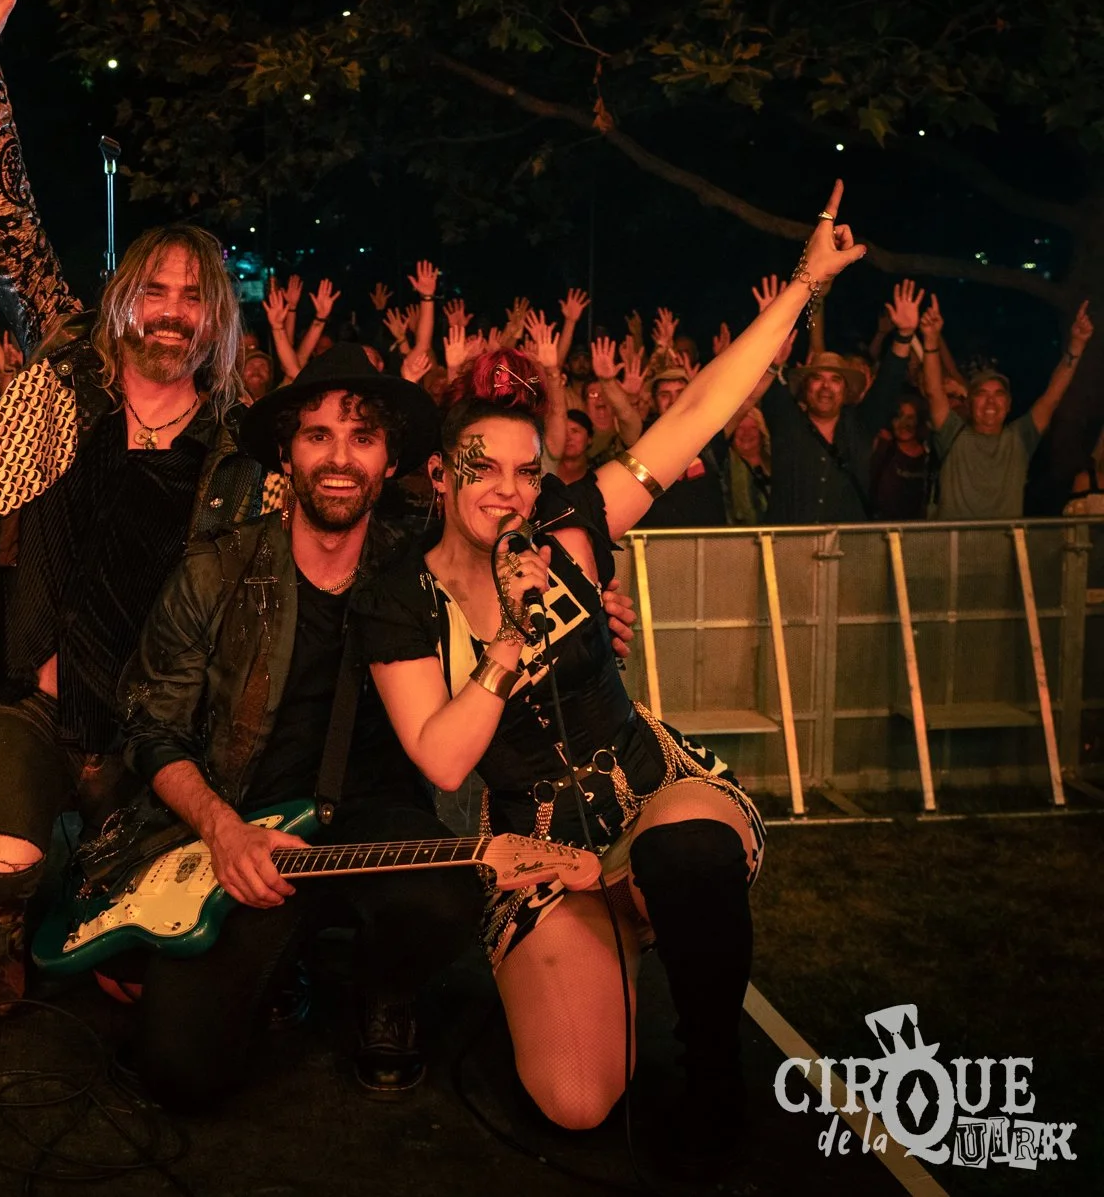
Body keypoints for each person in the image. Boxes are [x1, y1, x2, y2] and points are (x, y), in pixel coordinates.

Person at [352, 183, 869, 1168]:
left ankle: (713, 1078)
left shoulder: (572, 524)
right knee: (579, 1101)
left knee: (687, 857)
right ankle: (621, 926)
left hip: (650, 790)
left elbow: (701, 408)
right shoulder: (400, 598)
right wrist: (507, 639)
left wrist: (802, 287)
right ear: (441, 477)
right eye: (482, 470)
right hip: (541, 843)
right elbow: (445, 761)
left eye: (524, 469)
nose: (508, 491)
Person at [0, 0, 282, 917]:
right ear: (125, 299)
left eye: (192, 297)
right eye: (155, 289)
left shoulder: (236, 447)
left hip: (152, 732)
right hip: (31, 694)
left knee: (137, 927)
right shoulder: (71, 368)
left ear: (216, 319)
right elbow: (11, 232)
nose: (170, 310)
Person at [112, 345, 484, 1107]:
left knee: (448, 892)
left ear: (390, 461)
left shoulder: (422, 573)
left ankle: (386, 989)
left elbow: (525, 551)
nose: (340, 458)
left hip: (373, 828)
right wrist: (223, 831)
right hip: (251, 833)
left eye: (362, 437)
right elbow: (150, 727)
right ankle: (285, 964)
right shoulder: (216, 571)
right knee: (180, 1072)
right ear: (286, 454)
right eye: (318, 435)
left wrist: (591, 613)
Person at [921, 296, 1092, 520]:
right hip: (955, 543)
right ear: (969, 403)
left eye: (998, 395)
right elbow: (934, 392)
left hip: (1005, 543)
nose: (991, 402)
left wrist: (1076, 345)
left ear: (1009, 405)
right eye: (982, 394)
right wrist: (930, 339)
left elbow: (1051, 398)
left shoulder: (1019, 437)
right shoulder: (952, 433)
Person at [758, 281, 917, 523]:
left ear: (845, 390)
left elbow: (888, 383)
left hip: (845, 544)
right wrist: (767, 327)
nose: (826, 387)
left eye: (835, 380)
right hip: (790, 544)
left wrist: (904, 335)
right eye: (817, 378)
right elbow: (765, 377)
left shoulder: (860, 426)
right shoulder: (786, 422)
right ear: (805, 387)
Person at [638, 366, 731, 527]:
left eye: (680, 393)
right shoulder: (644, 437)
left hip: (711, 539)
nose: (673, 401)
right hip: (658, 539)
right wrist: (608, 382)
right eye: (665, 395)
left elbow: (747, 400)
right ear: (653, 402)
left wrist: (772, 368)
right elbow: (624, 414)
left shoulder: (710, 431)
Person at [869, 396, 932, 521]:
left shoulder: (930, 455)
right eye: (898, 417)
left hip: (918, 528)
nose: (904, 424)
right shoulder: (883, 448)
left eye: (910, 418)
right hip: (883, 526)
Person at [727, 407, 771, 526]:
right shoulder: (725, 466)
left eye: (753, 428)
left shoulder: (777, 463)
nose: (746, 433)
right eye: (740, 428)